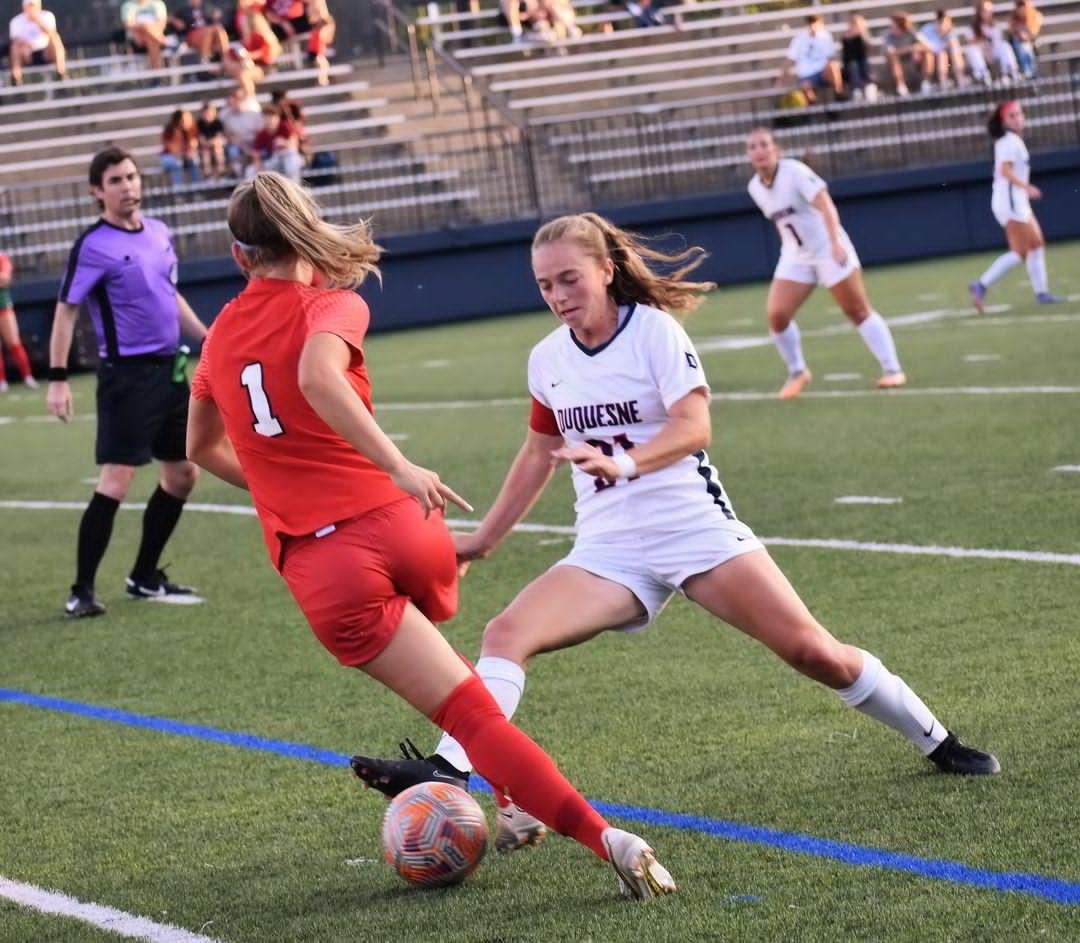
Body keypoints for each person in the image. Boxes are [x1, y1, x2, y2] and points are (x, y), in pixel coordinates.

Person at [351, 211, 1001, 847]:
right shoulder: (547, 358)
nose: (557, 295)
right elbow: (537, 451)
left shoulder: (654, 332)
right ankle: (448, 767)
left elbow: (694, 426)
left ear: (606, 270)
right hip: (608, 549)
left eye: (569, 279)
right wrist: (485, 539)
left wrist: (625, 461)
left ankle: (938, 740)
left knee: (814, 652)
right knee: (506, 633)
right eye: (545, 284)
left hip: (695, 531)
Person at [184, 171, 676, 900]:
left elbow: (205, 447)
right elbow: (320, 374)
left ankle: (606, 835)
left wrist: (331, 472)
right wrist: (396, 476)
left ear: (236, 255)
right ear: (305, 237)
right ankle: (519, 808)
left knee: (464, 709)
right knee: (458, 679)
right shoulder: (334, 301)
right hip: (407, 527)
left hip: (330, 563)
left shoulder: (222, 330)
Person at [46, 147, 208, 618]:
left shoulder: (159, 233)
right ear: (97, 191)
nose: (127, 187)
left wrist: (206, 338)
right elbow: (65, 312)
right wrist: (57, 379)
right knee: (116, 481)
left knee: (183, 474)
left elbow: (169, 296)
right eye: (115, 180)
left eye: (132, 177)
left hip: (170, 372)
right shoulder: (92, 245)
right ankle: (82, 591)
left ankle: (144, 575)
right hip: (127, 379)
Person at [745, 129, 906, 398]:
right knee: (777, 315)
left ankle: (892, 369)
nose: (759, 151)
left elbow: (826, 205)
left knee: (857, 310)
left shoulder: (795, 171)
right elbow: (782, 222)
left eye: (764, 145)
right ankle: (798, 371)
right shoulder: (754, 187)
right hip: (796, 256)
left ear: (776, 149)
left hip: (828, 249)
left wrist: (835, 243)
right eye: (752, 147)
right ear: (748, 155)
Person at [969, 101, 1061, 311]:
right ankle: (981, 285)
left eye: (1019, 113)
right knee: (1019, 252)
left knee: (1036, 244)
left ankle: (1042, 293)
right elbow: (1005, 171)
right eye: (1012, 115)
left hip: (1015, 200)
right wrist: (1026, 187)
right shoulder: (1009, 141)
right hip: (1010, 201)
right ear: (1004, 121)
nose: (1018, 118)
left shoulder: (1010, 141)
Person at [778, 14, 843, 104]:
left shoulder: (825, 36)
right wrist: (782, 79)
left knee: (833, 66)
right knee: (806, 87)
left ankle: (838, 95)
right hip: (807, 75)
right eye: (811, 23)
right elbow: (789, 59)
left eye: (815, 23)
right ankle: (816, 107)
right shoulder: (799, 39)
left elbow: (831, 57)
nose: (813, 26)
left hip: (822, 72)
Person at [0, 252, 39, 392]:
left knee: (14, 343)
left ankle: (28, 377)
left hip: (3, 305)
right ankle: (2, 382)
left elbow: (4, 279)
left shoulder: (2, 257)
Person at [8, 0, 67, 86]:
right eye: (29, 6)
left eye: (33, 5)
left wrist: (37, 21)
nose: (31, 8)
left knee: (56, 39)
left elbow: (52, 34)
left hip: (46, 53)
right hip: (27, 54)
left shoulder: (47, 16)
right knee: (15, 47)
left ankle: (61, 73)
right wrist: (27, 45)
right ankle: (16, 78)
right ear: (24, 7)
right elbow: (15, 41)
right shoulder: (16, 21)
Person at [883, 12, 933, 95]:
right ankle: (901, 86)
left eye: (893, 24)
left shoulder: (912, 32)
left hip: (914, 61)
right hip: (898, 64)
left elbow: (928, 47)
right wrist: (910, 49)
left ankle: (926, 82)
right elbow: (890, 52)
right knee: (893, 58)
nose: (890, 26)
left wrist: (917, 49)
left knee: (928, 54)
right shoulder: (888, 36)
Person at [168, 0, 229, 68]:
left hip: (209, 35)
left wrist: (216, 16)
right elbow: (170, 18)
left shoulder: (207, 8)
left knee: (218, 28)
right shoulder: (184, 10)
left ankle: (226, 57)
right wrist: (175, 21)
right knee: (210, 30)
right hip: (192, 35)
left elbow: (216, 18)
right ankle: (204, 59)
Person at [221, 85, 265, 177]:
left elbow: (260, 134)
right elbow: (231, 137)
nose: (231, 105)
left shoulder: (254, 114)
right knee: (233, 150)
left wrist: (253, 150)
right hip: (241, 147)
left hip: (256, 144)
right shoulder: (227, 117)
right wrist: (244, 148)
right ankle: (239, 175)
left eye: (234, 101)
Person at [252, 105, 304, 181]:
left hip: (290, 156)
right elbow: (256, 153)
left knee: (290, 165)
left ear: (278, 118)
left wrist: (284, 143)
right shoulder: (262, 133)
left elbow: (294, 143)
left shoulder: (285, 126)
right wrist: (259, 165)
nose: (269, 120)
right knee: (251, 171)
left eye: (271, 117)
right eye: (266, 117)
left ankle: (293, 188)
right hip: (275, 159)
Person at [918, 10, 968, 88]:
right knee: (940, 54)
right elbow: (922, 45)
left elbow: (954, 48)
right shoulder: (927, 29)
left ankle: (959, 77)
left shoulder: (950, 31)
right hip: (930, 57)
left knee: (950, 52)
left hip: (947, 59)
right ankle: (940, 81)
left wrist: (945, 35)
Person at [122, 0, 170, 71]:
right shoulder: (128, 5)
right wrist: (144, 27)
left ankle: (157, 74)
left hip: (154, 39)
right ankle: (164, 42)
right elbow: (128, 25)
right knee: (148, 31)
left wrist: (147, 29)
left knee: (150, 38)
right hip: (138, 41)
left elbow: (161, 25)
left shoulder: (158, 3)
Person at [161, 108, 202, 187]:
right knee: (177, 163)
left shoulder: (192, 129)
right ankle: (178, 190)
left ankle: (197, 188)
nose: (189, 121)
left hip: (185, 156)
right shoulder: (170, 130)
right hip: (170, 156)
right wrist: (185, 154)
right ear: (178, 120)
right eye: (185, 119)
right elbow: (173, 150)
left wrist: (191, 149)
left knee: (194, 161)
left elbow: (194, 147)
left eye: (189, 118)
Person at [840, 14, 877, 102]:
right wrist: (850, 38)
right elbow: (847, 56)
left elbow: (866, 52)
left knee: (864, 64)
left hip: (863, 61)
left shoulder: (864, 36)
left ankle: (869, 88)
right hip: (851, 63)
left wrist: (860, 36)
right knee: (854, 65)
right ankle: (857, 91)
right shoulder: (846, 38)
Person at [1007, 0, 1040, 78]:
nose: (1021, 10)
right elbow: (1011, 32)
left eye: (1023, 7)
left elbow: (1034, 33)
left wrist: (1026, 36)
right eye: (1019, 7)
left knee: (1025, 47)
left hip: (1031, 44)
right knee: (1022, 46)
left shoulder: (1033, 16)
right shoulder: (1013, 18)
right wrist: (1019, 35)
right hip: (1016, 44)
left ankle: (1029, 71)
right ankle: (1029, 71)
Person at [196, 101, 226, 179]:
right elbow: (201, 140)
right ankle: (207, 174)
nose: (207, 116)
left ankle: (221, 172)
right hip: (205, 147)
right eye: (205, 114)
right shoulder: (200, 124)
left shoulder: (217, 123)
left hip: (216, 145)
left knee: (218, 149)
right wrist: (208, 143)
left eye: (209, 114)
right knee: (205, 152)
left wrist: (211, 142)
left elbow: (218, 138)